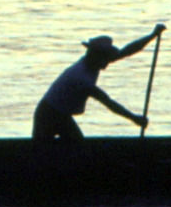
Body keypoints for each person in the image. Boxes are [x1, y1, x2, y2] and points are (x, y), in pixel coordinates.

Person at [33, 24, 164, 142]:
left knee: (78, 147)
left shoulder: (95, 62)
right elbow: (108, 102)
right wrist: (134, 118)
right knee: (43, 154)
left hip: (62, 115)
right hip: (47, 115)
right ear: (95, 56)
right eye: (105, 59)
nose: (108, 62)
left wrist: (152, 36)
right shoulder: (81, 78)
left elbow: (127, 51)